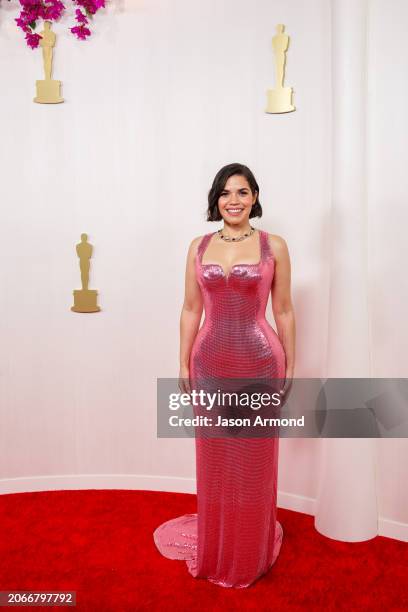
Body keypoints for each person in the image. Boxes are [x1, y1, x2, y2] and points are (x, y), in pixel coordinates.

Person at [154, 162, 296, 588]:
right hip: (210, 361)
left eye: (242, 192)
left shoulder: (276, 246)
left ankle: (249, 550)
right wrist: (182, 361)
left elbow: (285, 309)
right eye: (225, 193)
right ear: (215, 200)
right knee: (215, 459)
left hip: (260, 361)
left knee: (254, 460)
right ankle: (218, 545)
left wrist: (292, 364)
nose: (234, 200)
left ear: (255, 197)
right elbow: (191, 308)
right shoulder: (199, 246)